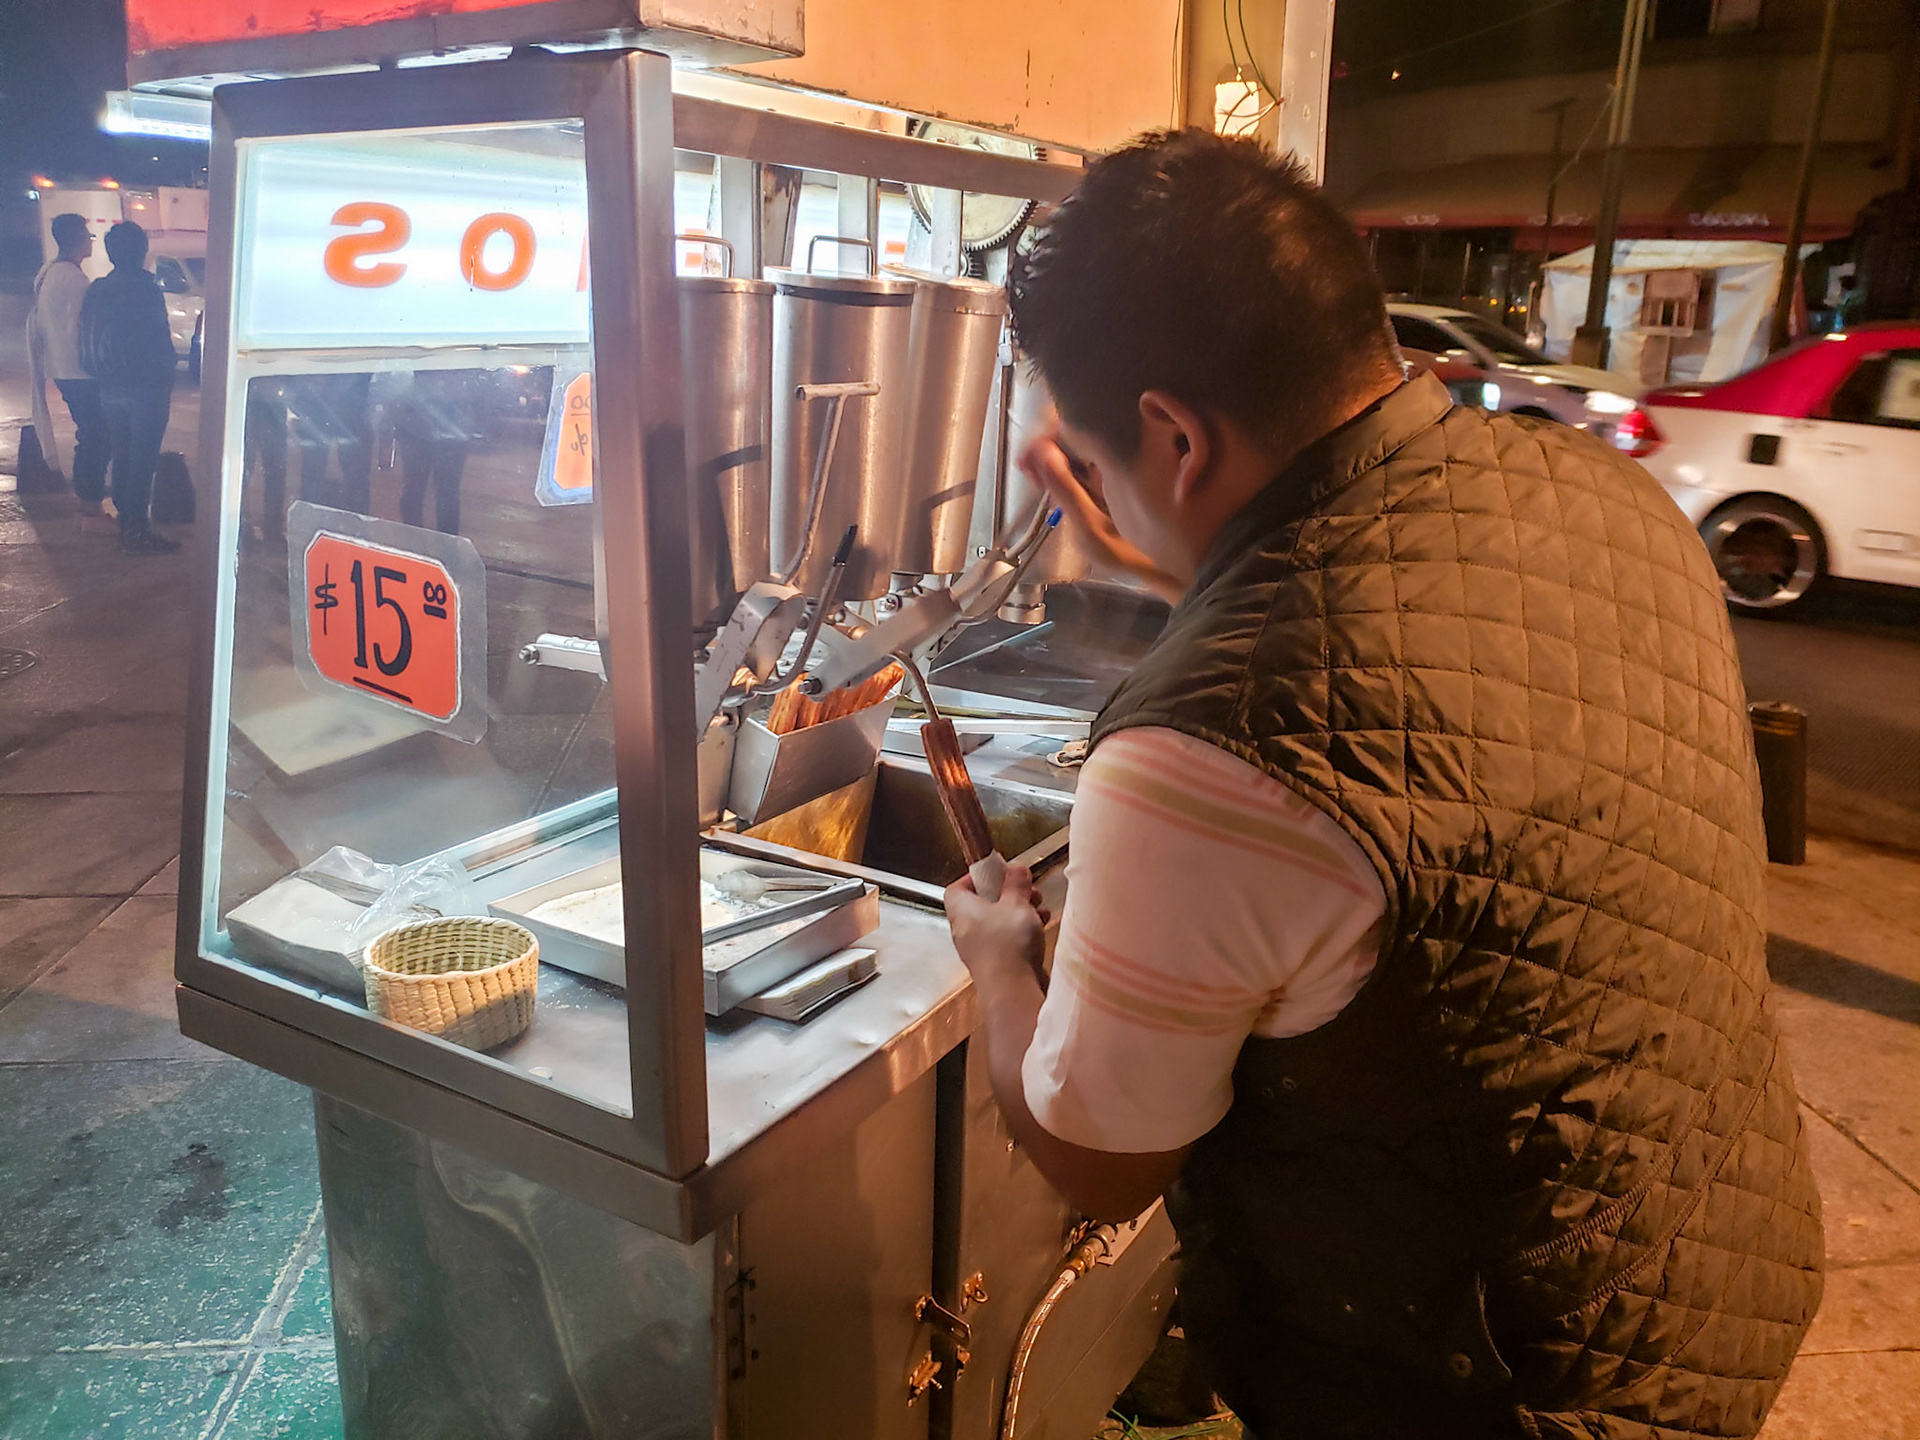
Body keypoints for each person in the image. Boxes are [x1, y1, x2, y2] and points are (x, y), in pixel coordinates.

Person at [945, 130, 1823, 1440]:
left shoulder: (1206, 752)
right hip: (1710, 1266)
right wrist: (1200, 574)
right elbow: (1409, 649)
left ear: (1174, 434)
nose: (1099, 496)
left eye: (1100, 462)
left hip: (1494, 1395)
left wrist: (1000, 958)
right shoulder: (1600, 494)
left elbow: (1103, 1159)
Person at [78, 221, 179, 554]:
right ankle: (136, 529)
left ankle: (127, 522)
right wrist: (167, 375)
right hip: (145, 386)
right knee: (143, 458)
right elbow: (158, 341)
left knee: (123, 454)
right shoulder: (146, 290)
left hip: (109, 385)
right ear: (142, 251)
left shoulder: (99, 289)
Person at [29, 213, 109, 511]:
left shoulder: (50, 273)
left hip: (64, 368)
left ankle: (87, 501)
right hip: (80, 371)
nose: (91, 241)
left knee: (91, 434)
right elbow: (83, 327)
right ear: (77, 238)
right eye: (88, 235)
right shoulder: (72, 279)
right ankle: (89, 503)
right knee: (96, 437)